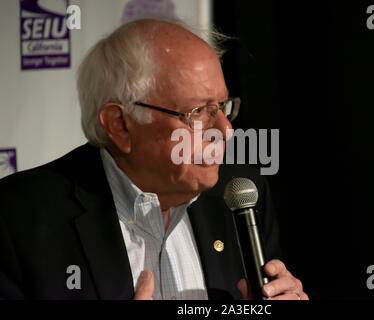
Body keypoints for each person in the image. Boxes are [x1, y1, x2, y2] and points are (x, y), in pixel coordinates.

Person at [0, 18, 308, 300]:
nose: (225, 130)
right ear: (120, 125)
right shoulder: (18, 219)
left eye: (222, 106)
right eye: (198, 112)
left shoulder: (241, 194)